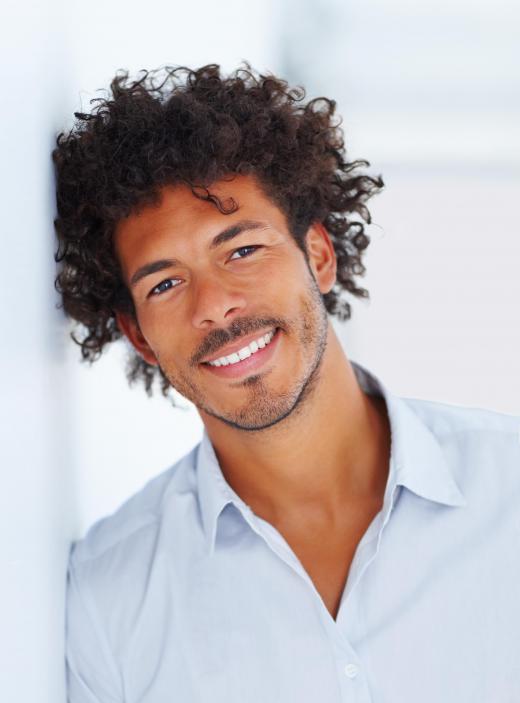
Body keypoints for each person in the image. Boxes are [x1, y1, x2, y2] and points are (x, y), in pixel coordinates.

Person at [53, 64, 520, 703]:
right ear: (140, 338)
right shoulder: (108, 600)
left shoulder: (509, 484)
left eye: (242, 250)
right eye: (165, 283)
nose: (214, 305)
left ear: (319, 257)